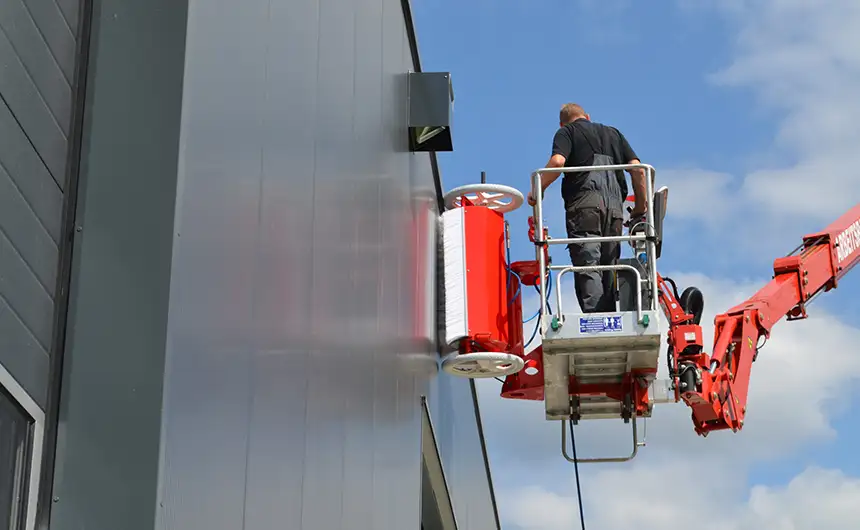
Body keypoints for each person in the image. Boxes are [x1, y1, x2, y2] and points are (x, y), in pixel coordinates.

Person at [527, 103, 648, 314]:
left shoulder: (566, 132)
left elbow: (557, 162)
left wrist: (537, 188)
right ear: (587, 117)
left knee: (588, 261)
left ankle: (596, 320)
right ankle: (611, 317)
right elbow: (638, 170)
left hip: (585, 206)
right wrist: (639, 207)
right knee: (610, 263)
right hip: (616, 210)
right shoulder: (614, 133)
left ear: (562, 123)